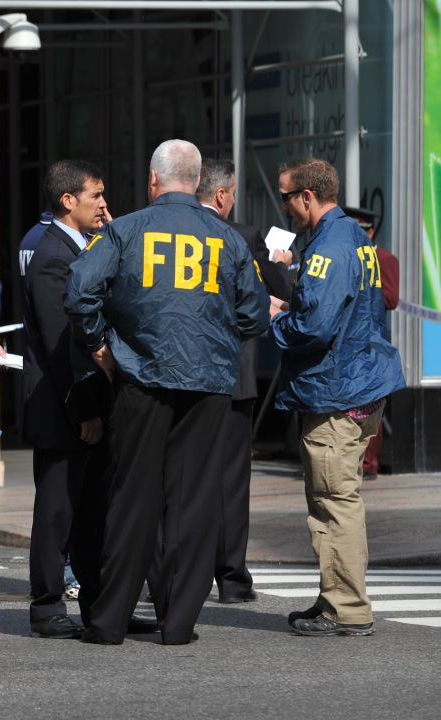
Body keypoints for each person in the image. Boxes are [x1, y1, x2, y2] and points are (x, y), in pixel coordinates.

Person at [65, 139, 270, 646]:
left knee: (132, 497)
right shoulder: (228, 238)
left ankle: (109, 620)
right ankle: (178, 623)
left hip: (141, 376)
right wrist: (219, 339)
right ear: (199, 183)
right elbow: (254, 313)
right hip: (209, 382)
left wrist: (100, 344)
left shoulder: (126, 229)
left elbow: (79, 290)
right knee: (194, 498)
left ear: (153, 179)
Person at [271, 158, 405, 636]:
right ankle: (336, 595)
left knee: (333, 501)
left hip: (336, 389)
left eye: (286, 197)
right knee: (337, 498)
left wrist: (276, 318)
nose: (285, 207)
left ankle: (345, 607)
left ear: (307, 195)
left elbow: (316, 326)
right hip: (362, 381)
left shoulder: (328, 245)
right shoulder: (354, 238)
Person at [194, 158, 291, 605]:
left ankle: (173, 575)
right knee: (231, 481)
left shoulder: (167, 232)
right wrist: (280, 266)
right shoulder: (244, 236)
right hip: (233, 378)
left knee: (182, 476)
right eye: (232, 193)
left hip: (182, 376)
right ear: (221, 195)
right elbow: (276, 294)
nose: (233, 200)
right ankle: (231, 578)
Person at [22, 160, 112, 639]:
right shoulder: (53, 257)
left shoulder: (85, 246)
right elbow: (63, 346)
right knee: (57, 512)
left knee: (93, 511)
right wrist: (86, 411)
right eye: (96, 195)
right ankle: (47, 606)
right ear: (68, 200)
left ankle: (100, 607)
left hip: (87, 405)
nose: (103, 204)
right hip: (64, 409)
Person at [344, 206, 398, 481]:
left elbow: (391, 298)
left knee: (371, 404)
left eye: (360, 229)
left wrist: (364, 287)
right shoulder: (346, 256)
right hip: (347, 340)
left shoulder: (384, 259)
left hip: (373, 340)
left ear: (371, 232)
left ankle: (369, 464)